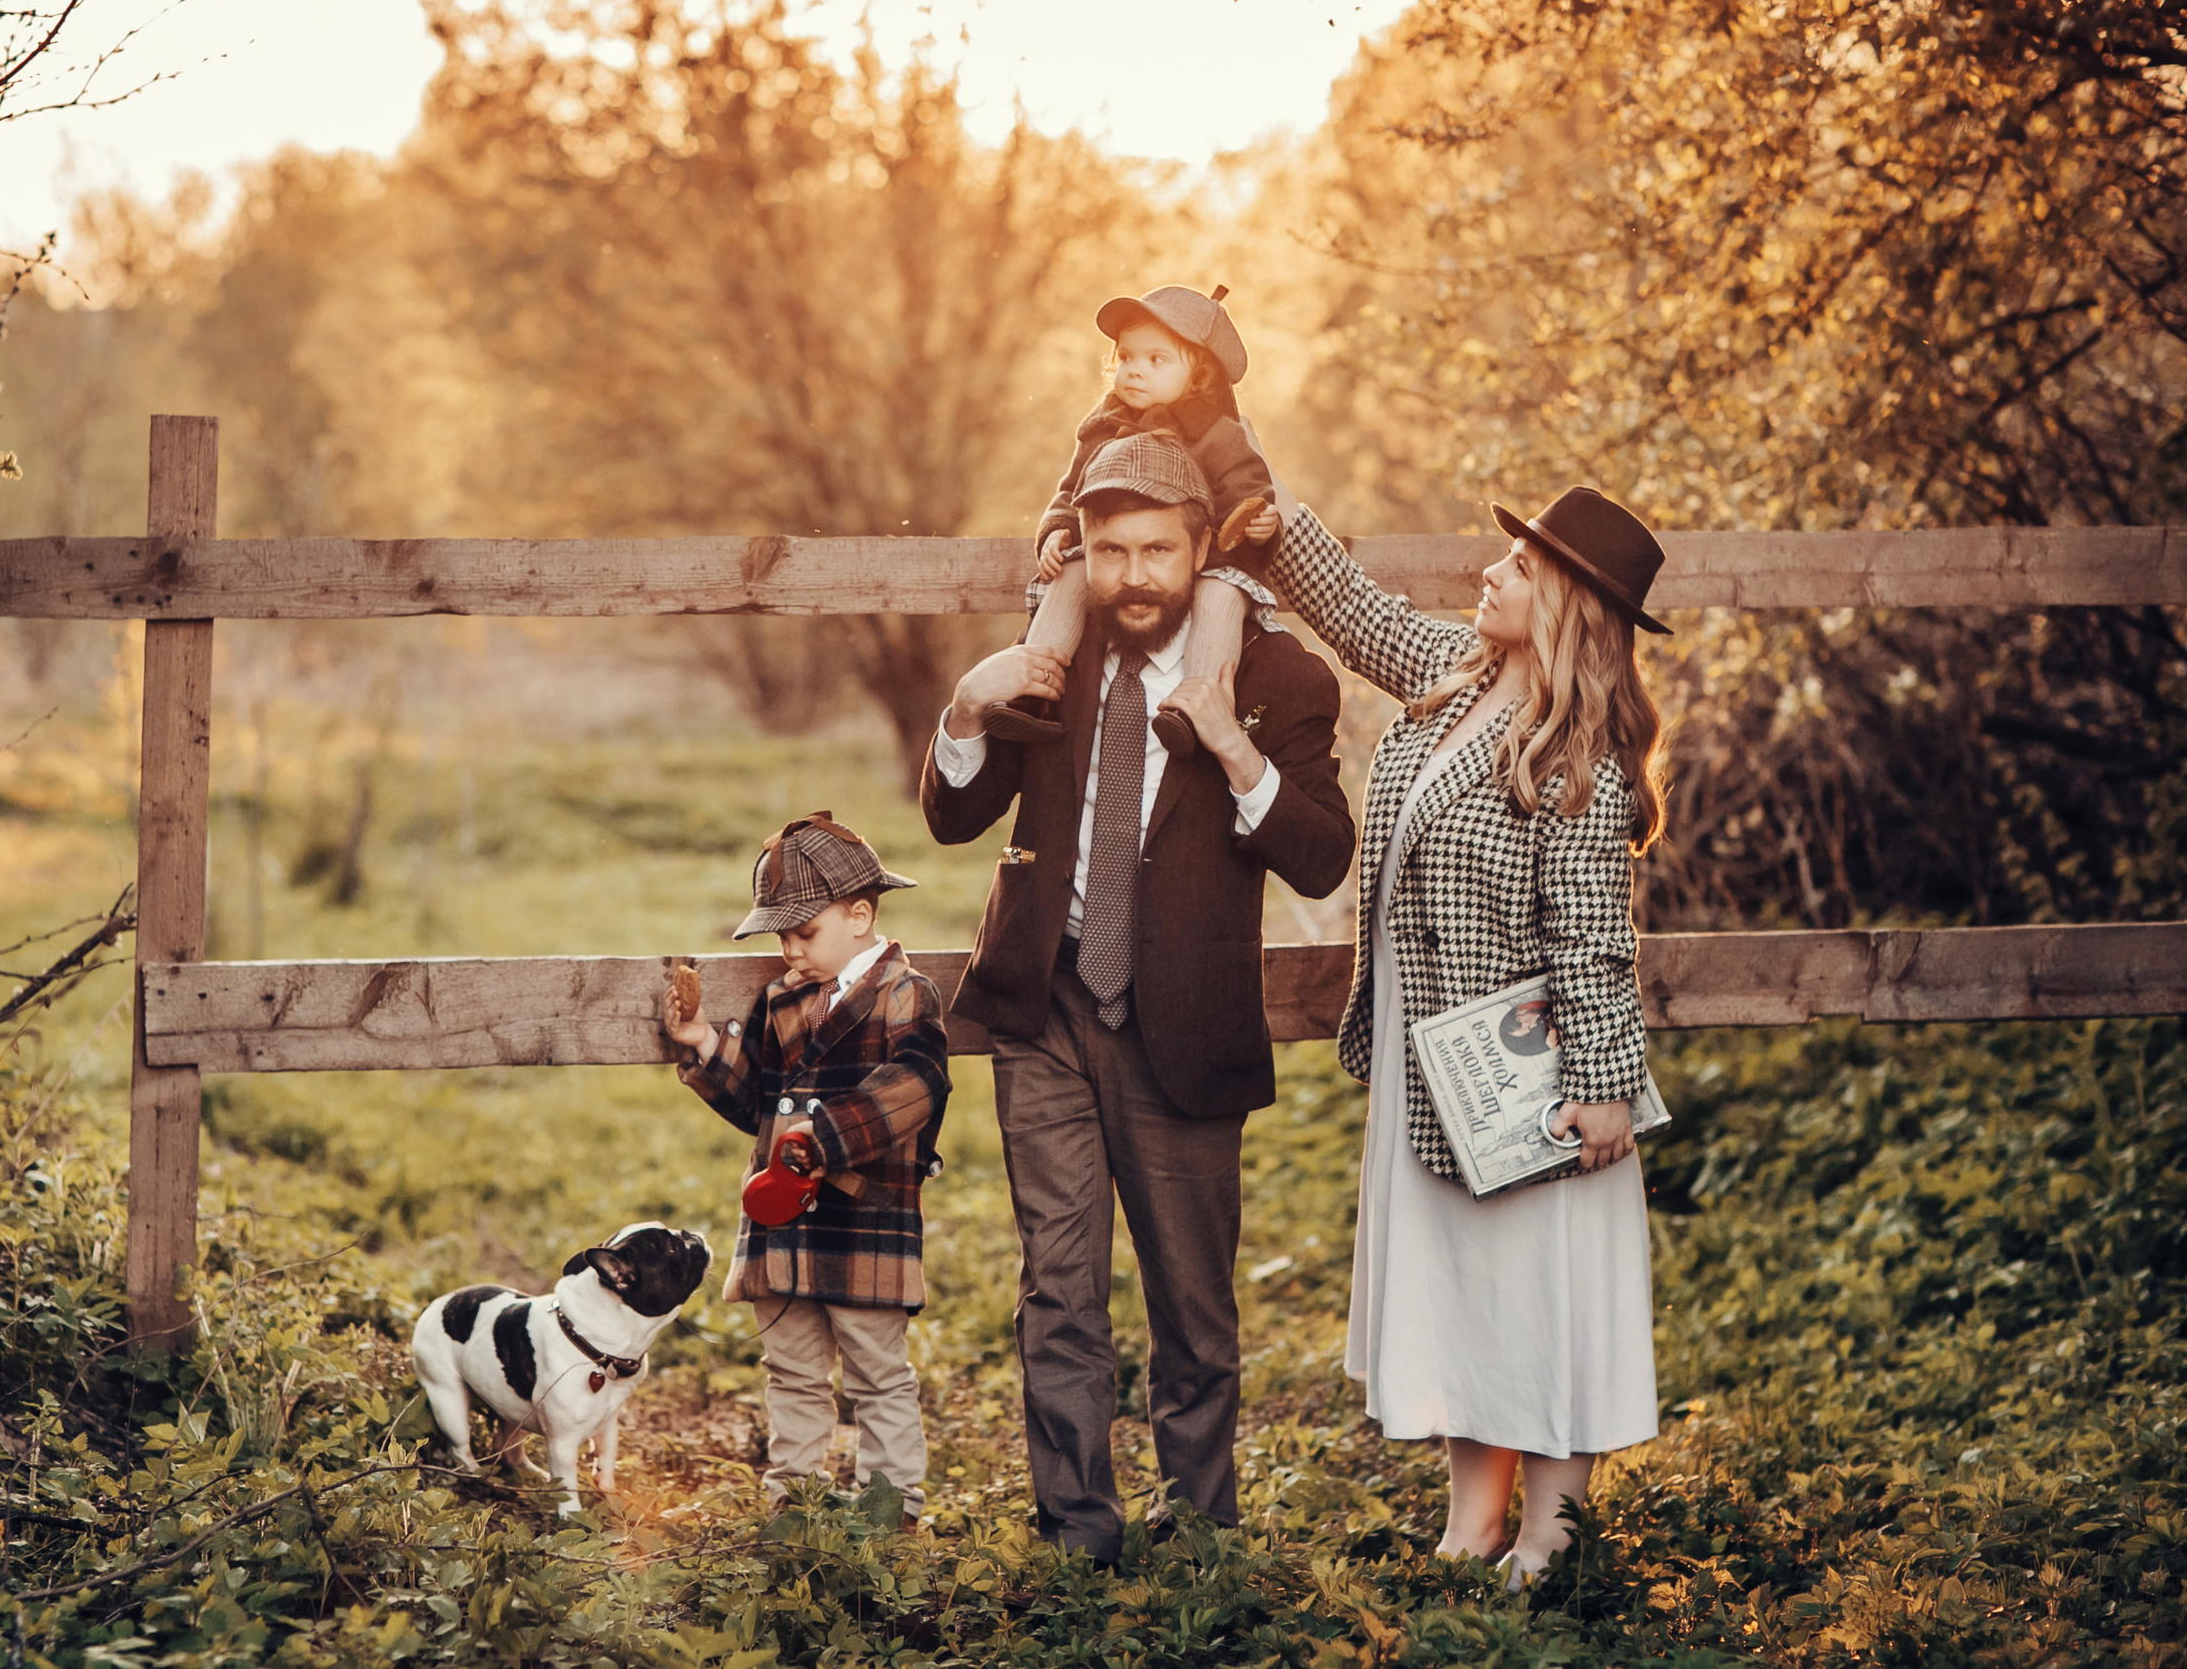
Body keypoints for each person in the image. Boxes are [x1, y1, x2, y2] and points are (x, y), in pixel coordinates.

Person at [923, 431, 1356, 1563]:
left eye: (1159, 549)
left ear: (1202, 547)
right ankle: (1078, 1534)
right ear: (1085, 552)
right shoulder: (1050, 661)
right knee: (1057, 1292)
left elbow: (1320, 858)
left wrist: (1232, 752)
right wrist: (966, 712)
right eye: (1111, 551)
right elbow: (952, 819)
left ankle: (1200, 1529)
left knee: (1193, 1305)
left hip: (1185, 1026)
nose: (1135, 576)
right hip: (1046, 1008)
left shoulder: (1279, 680)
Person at [1263, 484, 1671, 1587]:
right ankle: (1472, 1519)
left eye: (1519, 566)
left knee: (1539, 1292)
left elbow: (1592, 940)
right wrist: (1256, 497)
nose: (1489, 572)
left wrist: (1601, 1087)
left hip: (1527, 1075)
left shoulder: (1576, 750)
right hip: (1430, 1055)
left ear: (1564, 607)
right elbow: (1352, 609)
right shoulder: (1456, 678)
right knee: (1457, 1287)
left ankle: (1550, 1534)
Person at [665, 812, 951, 1526]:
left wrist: (820, 1138)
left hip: (864, 1223)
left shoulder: (907, 996)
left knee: (877, 1374)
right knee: (790, 1369)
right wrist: (704, 1042)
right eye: (781, 936)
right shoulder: (782, 999)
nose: (790, 950)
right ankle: (795, 1496)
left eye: (804, 932)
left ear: (860, 915)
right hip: (780, 1223)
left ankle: (893, 1507)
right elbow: (758, 1103)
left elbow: (915, 1088)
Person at [983, 284, 1284, 761]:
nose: (1134, 370)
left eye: (1156, 360)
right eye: (1126, 357)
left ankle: (1195, 713)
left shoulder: (1218, 432)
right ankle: (1031, 694)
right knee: (1069, 577)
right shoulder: (1102, 424)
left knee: (1221, 598)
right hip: (1121, 549)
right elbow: (1071, 488)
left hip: (1211, 557)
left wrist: (1259, 521)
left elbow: (1248, 489)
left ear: (1199, 372)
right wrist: (1058, 529)